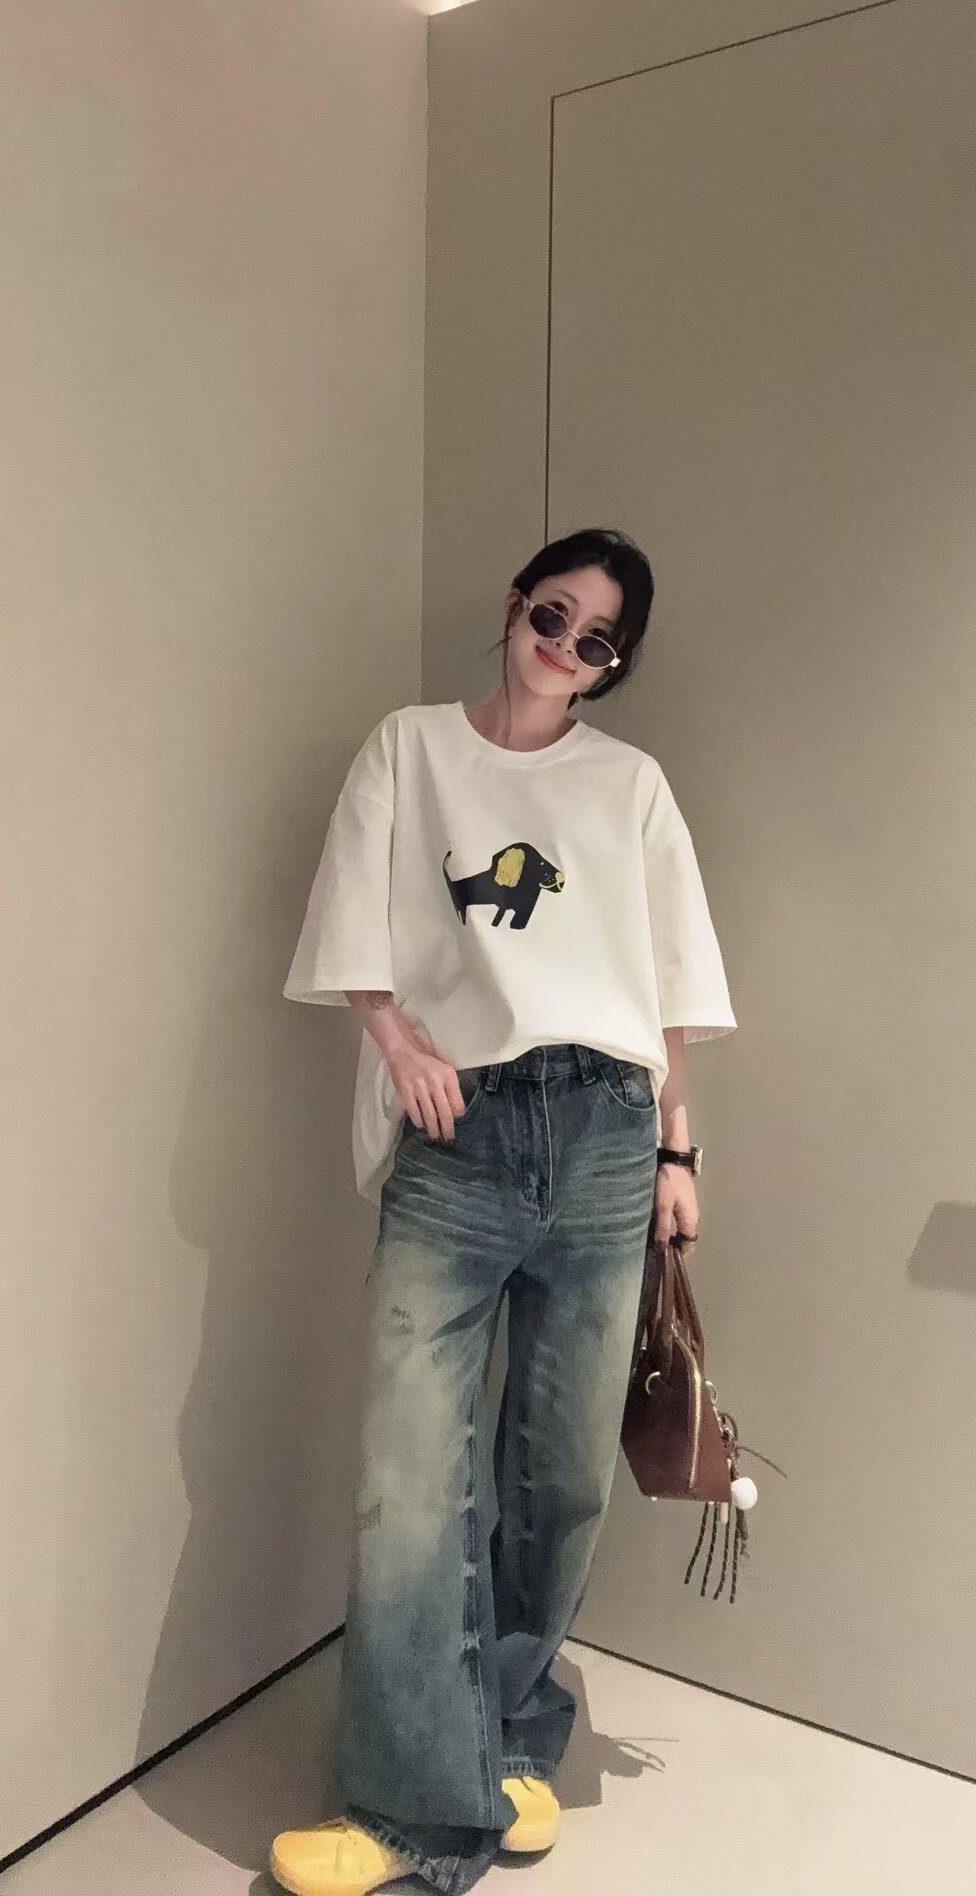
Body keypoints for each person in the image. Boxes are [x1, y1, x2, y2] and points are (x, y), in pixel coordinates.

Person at [272, 527, 736, 1896]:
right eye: (552, 616)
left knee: (559, 1472)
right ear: (515, 604)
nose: (565, 650)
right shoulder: (409, 749)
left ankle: (515, 1736)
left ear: (612, 668)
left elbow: (665, 984)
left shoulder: (629, 785)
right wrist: (396, 1039)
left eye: (598, 644)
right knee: (411, 1475)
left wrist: (679, 1150)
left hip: (606, 1133)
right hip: (460, 1132)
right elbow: (353, 923)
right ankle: (411, 1810)